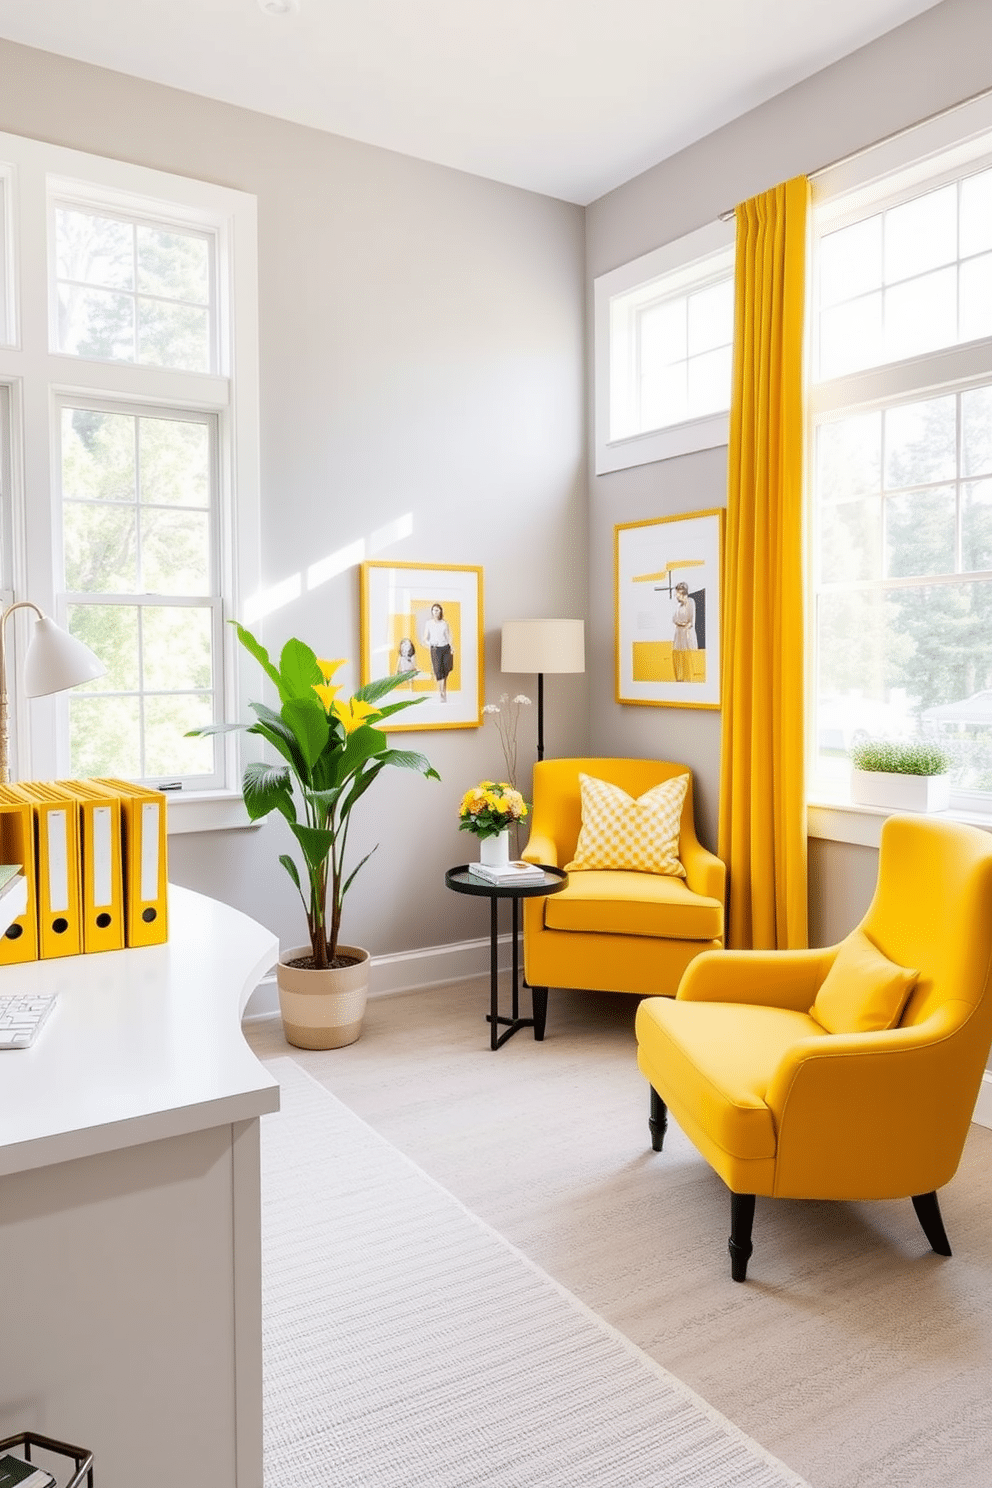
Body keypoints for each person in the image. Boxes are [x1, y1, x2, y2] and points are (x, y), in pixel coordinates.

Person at [421, 603, 454, 701]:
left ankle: (444, 691)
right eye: (434, 610)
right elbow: (425, 638)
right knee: (438, 670)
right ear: (432, 612)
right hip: (435, 649)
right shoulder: (428, 623)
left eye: (437, 610)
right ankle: (441, 693)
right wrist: (430, 643)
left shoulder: (444, 623)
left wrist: (451, 647)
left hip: (445, 648)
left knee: (446, 670)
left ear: (440, 611)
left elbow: (448, 637)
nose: (435, 612)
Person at [671, 582, 698, 683]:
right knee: (677, 657)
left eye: (677, 594)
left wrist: (682, 624)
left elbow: (691, 622)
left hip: (686, 635)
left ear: (682, 593)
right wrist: (680, 623)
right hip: (678, 635)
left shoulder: (690, 602)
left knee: (687, 658)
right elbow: (674, 619)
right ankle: (679, 679)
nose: (676, 596)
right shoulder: (678, 606)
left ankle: (688, 681)